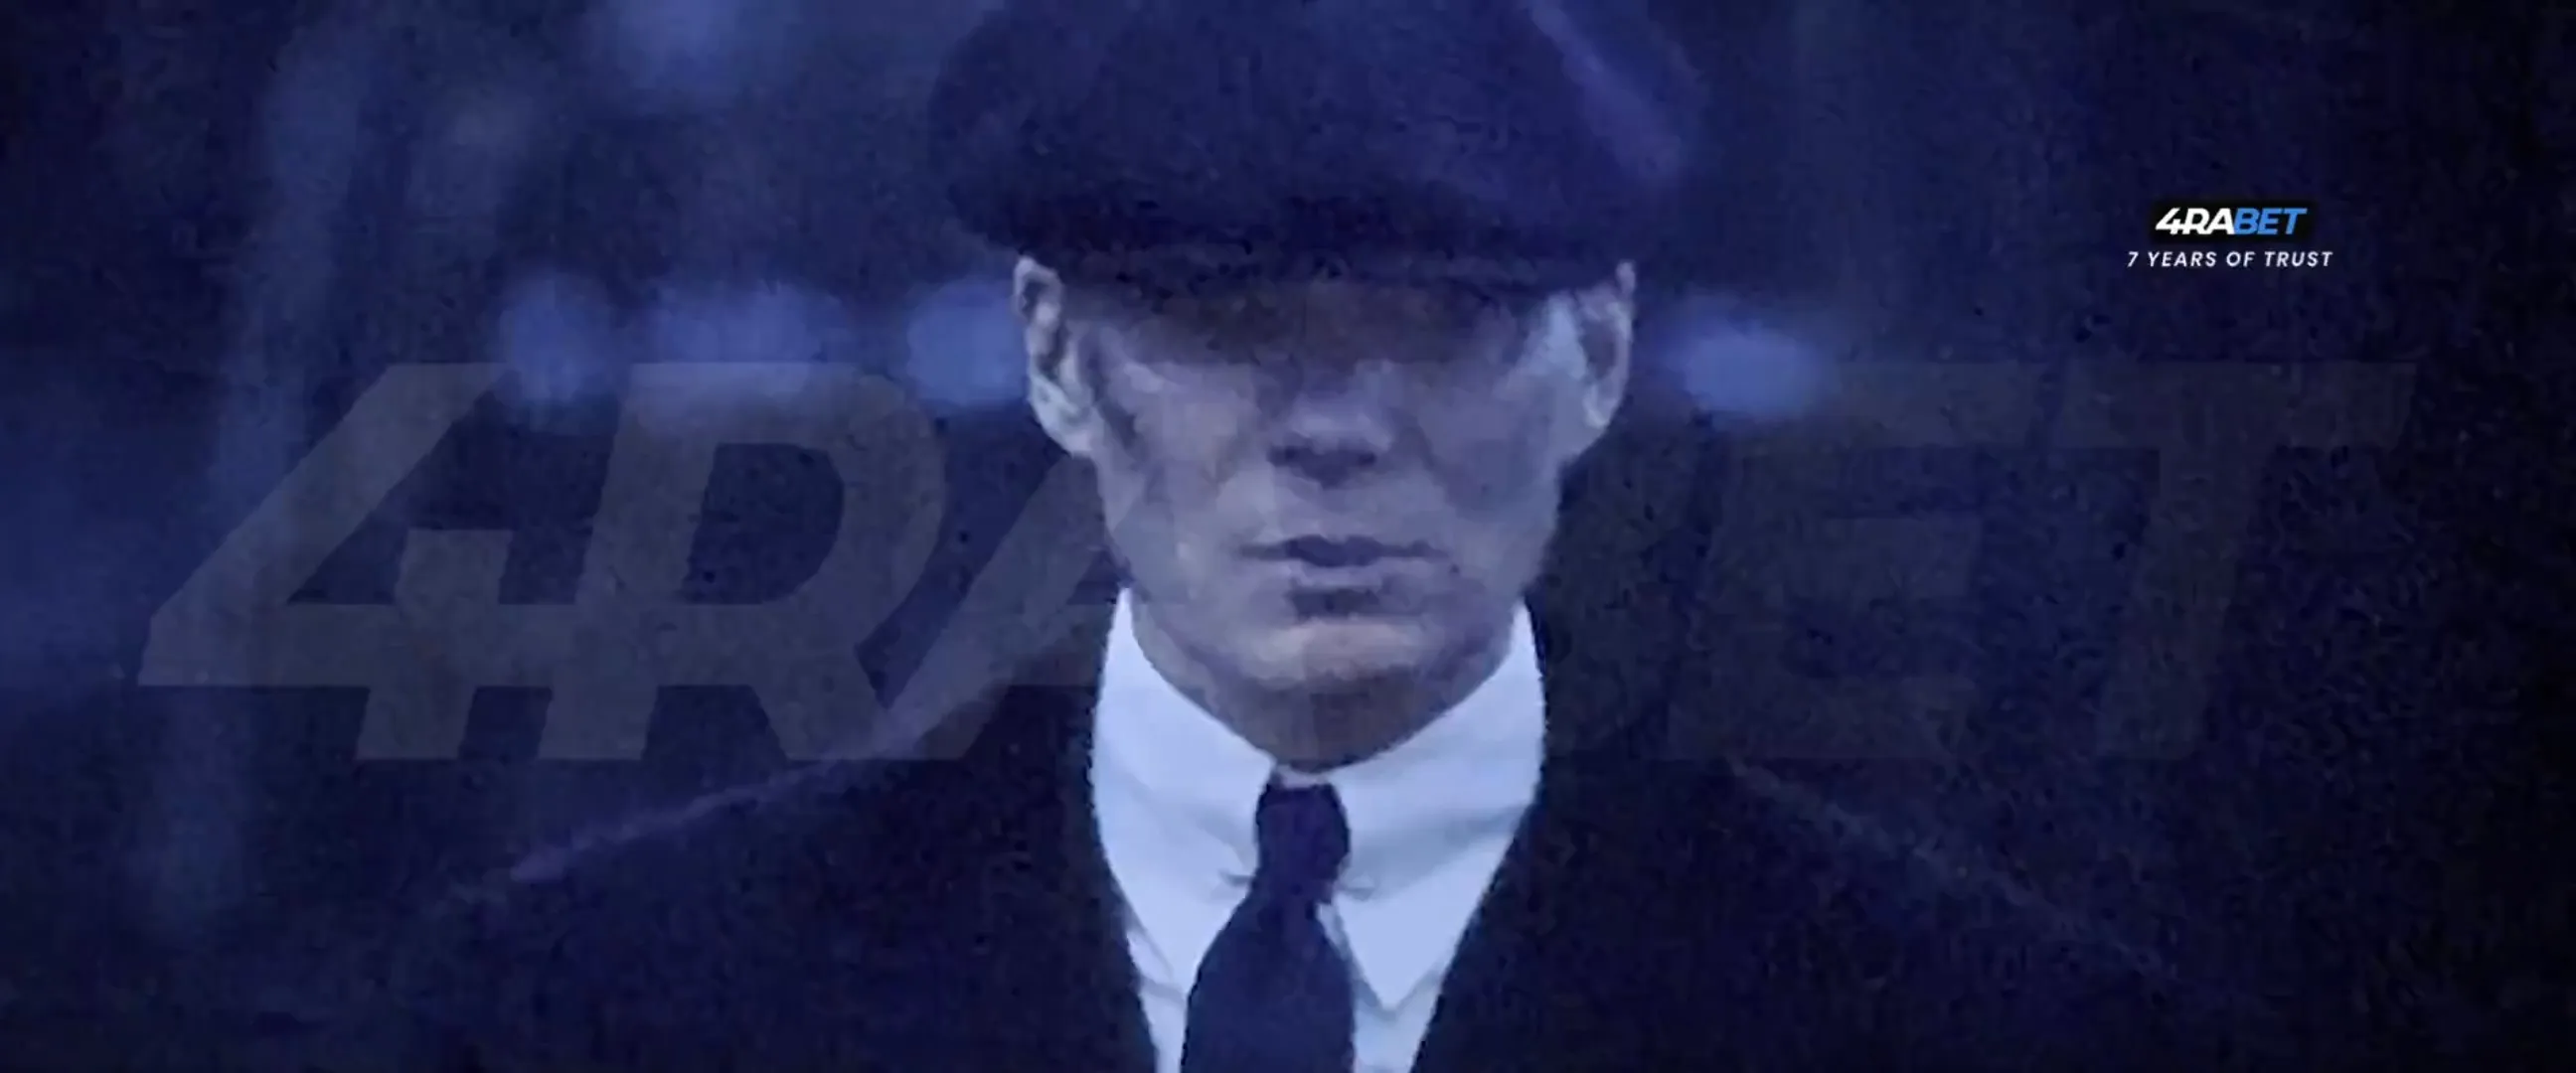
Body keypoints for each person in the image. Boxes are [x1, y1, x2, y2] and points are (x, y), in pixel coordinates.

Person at [241, 1, 2279, 1069]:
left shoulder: (1980, 1032)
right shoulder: (600, 1016)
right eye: (1222, 328)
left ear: (1597, 354)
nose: (1331, 433)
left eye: (1443, 324)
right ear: (1058, 355)